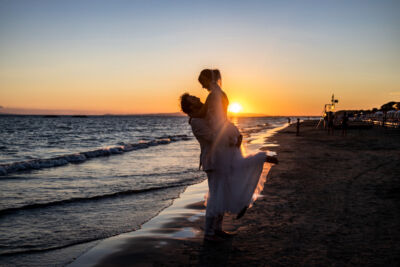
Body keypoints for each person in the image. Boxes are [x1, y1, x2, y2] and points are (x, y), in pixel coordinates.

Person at [180, 70, 278, 242]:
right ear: (189, 107)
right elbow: (212, 137)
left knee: (221, 194)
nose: (197, 97)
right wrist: (231, 139)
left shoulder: (202, 113)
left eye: (195, 97)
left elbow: (219, 123)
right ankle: (209, 234)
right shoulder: (195, 121)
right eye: (193, 99)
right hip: (213, 161)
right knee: (216, 195)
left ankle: (217, 229)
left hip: (220, 158)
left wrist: (233, 137)